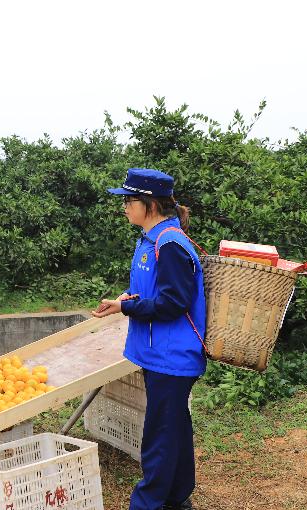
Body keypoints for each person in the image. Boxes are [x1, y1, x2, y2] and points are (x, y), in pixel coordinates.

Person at [91, 168, 206, 510]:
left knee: (159, 434)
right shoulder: (151, 239)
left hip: (172, 356)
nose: (124, 206)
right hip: (158, 354)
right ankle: (176, 495)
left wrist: (129, 309)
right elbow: (152, 292)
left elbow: (173, 303)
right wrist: (123, 302)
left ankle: (148, 503)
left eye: (129, 200)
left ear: (150, 204)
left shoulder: (170, 244)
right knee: (174, 428)